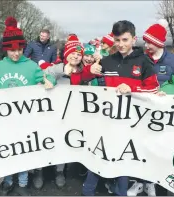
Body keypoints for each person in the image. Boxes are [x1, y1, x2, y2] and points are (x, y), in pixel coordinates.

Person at [71, 20, 159, 196]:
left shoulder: (144, 62)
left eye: (125, 40)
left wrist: (132, 89)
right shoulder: (107, 61)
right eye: (117, 40)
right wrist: (89, 71)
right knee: (97, 162)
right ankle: (87, 192)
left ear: (134, 39)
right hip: (105, 123)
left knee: (123, 168)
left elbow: (154, 90)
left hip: (131, 125)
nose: (121, 44)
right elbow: (76, 82)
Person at [0, 16, 56, 196]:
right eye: (12, 51)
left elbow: (46, 77)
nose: (16, 54)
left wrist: (49, 80)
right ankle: (8, 181)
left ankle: (23, 183)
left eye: (19, 50)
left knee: (23, 150)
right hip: (4, 118)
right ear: (6, 50)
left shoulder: (31, 65)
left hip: (25, 118)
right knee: (7, 150)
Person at [143, 19, 174, 86]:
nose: (145, 45)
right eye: (145, 42)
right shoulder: (142, 59)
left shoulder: (173, 60)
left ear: (158, 43)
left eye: (149, 42)